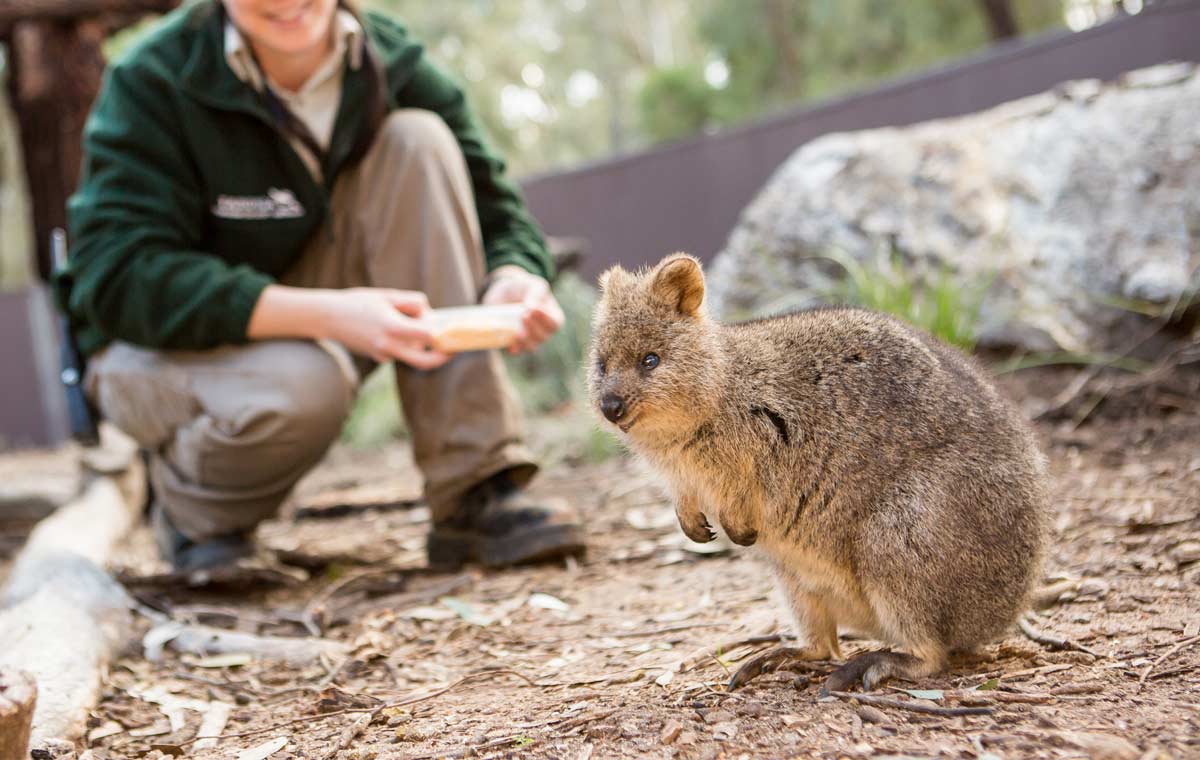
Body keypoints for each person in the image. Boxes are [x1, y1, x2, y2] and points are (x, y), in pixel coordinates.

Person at [54, 0, 586, 572]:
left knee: (418, 141)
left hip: (309, 306)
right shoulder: (152, 78)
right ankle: (193, 511)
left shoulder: (392, 58)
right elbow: (117, 278)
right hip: (149, 347)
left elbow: (497, 208)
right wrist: (328, 316)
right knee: (303, 385)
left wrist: (514, 276)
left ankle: (475, 489)